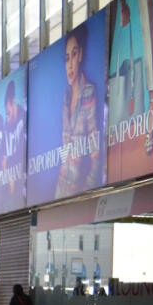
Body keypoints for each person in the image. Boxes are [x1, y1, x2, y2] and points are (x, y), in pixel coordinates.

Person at [57, 24, 101, 198]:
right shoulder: (66, 98)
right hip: (60, 188)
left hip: (77, 193)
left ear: (81, 55)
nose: (70, 64)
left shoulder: (89, 92)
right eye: (67, 58)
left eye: (74, 55)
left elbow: (96, 155)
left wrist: (86, 191)